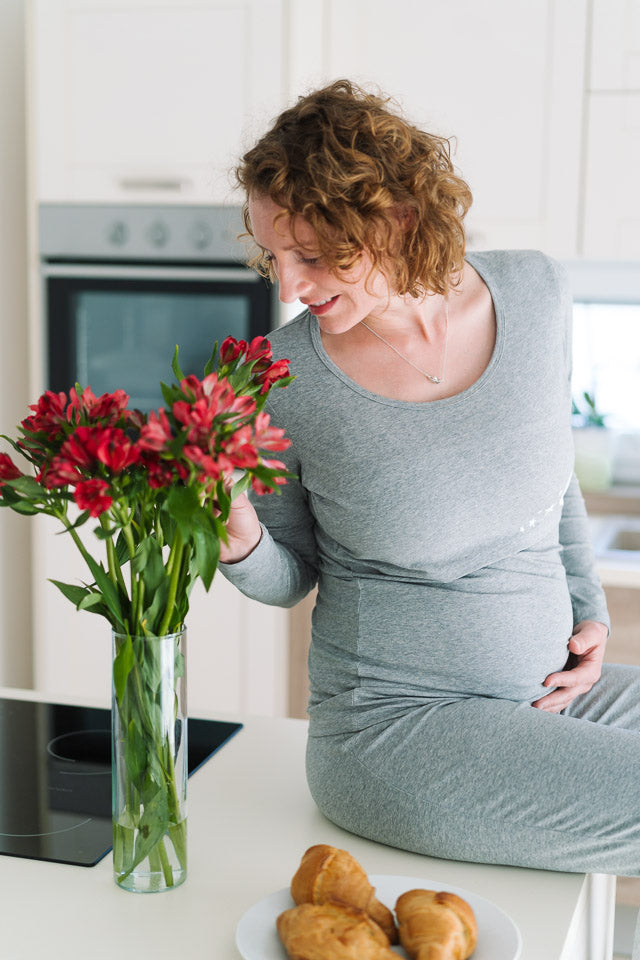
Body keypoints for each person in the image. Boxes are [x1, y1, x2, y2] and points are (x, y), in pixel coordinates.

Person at [219, 79, 640, 879]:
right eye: (273, 255)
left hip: (548, 689)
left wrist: (589, 616)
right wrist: (236, 533)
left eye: (312, 256)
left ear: (396, 218)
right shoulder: (279, 378)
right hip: (399, 731)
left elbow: (552, 481)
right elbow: (288, 579)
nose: (288, 287)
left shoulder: (535, 290)